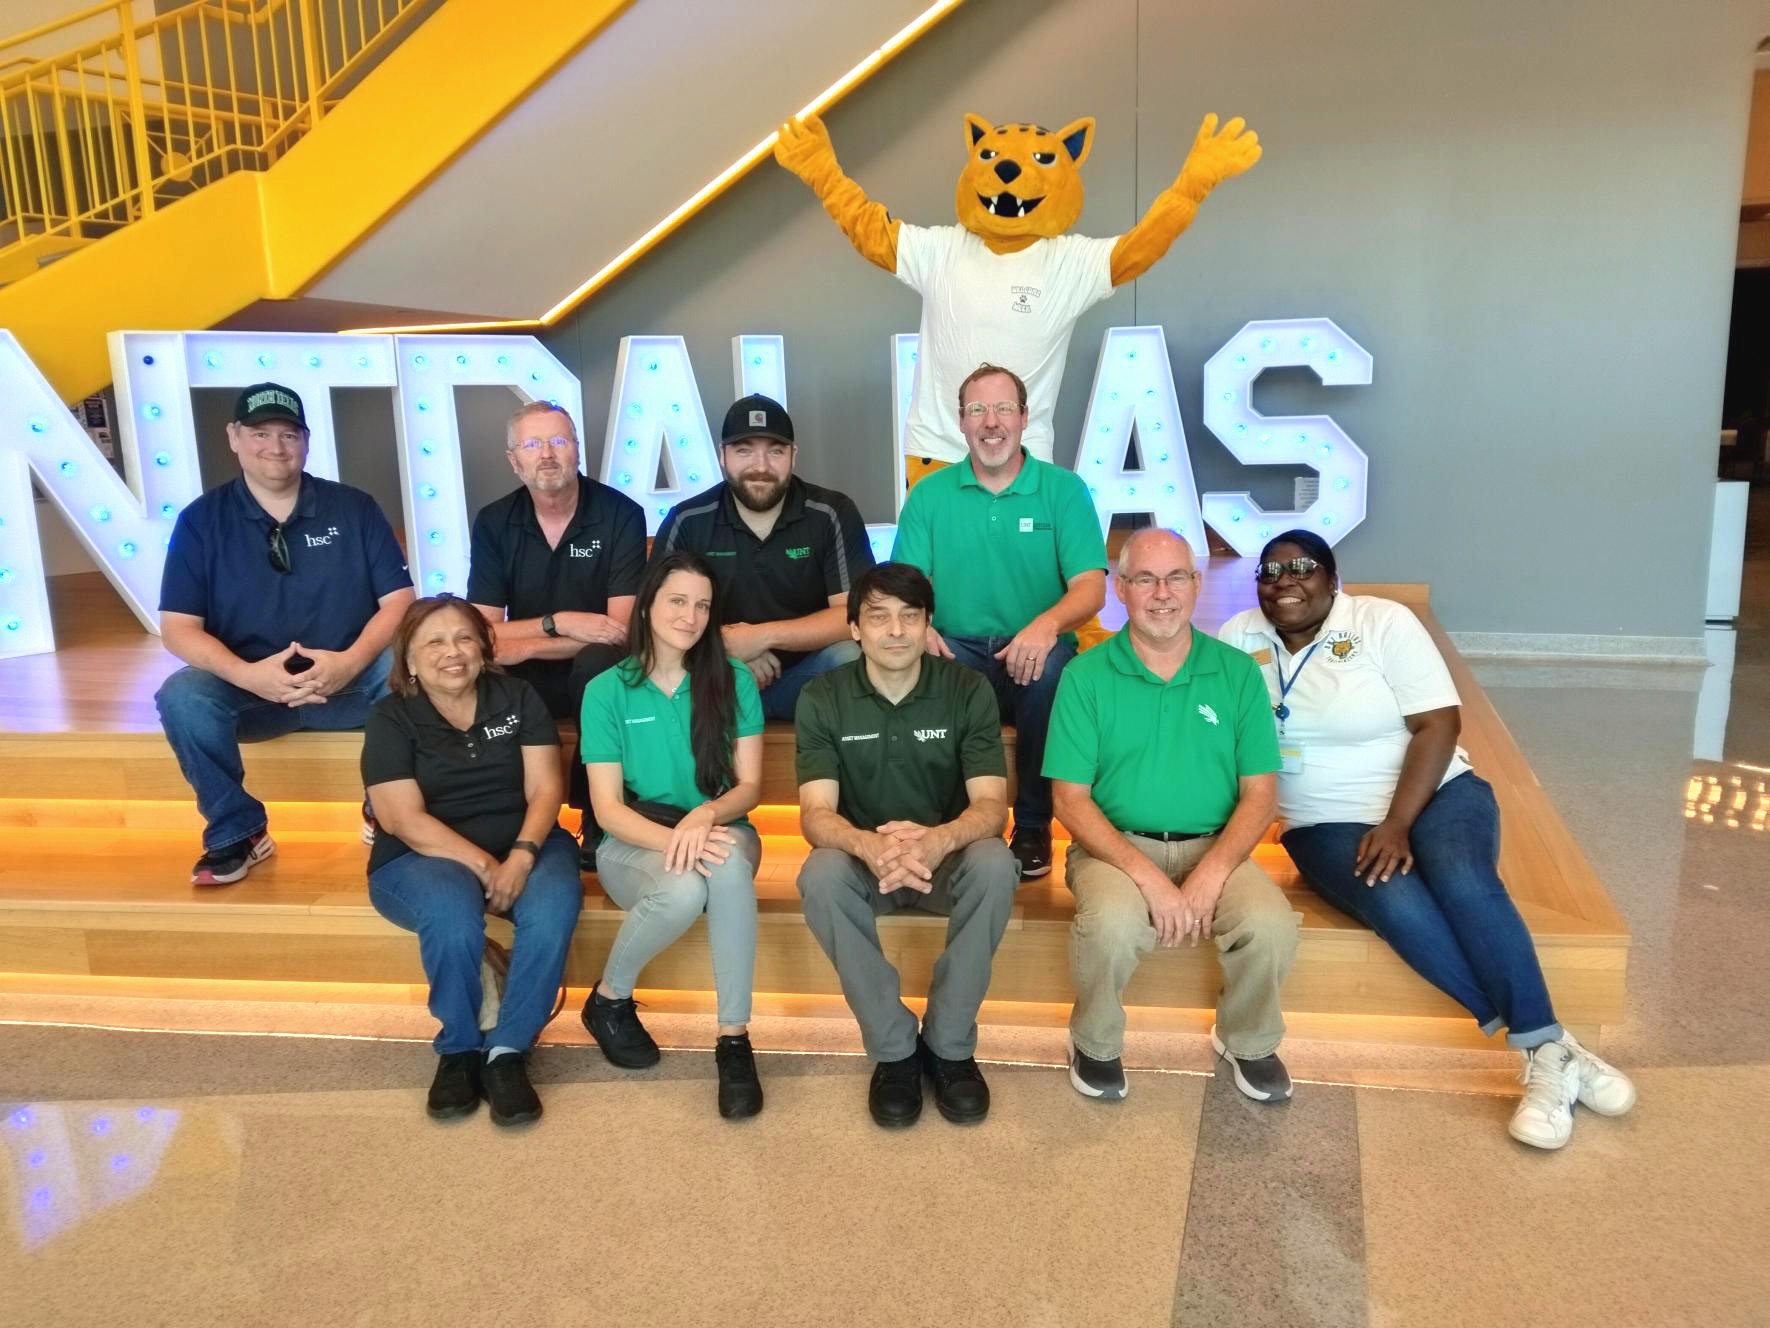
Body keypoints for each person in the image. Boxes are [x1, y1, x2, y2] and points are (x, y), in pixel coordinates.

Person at [1218, 530, 1637, 1149]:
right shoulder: (1237, 637)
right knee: (1396, 901)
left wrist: (1396, 824)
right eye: (1270, 571)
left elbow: (1439, 722)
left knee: (1461, 880)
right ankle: (1552, 1047)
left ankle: (1543, 1050)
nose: (1285, 580)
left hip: (1438, 794)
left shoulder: (1381, 622)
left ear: (1334, 579)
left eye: (1303, 568)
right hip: (1320, 823)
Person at [1045, 528, 1300, 1104]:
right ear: (1120, 590)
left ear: (1196, 585)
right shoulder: (1085, 677)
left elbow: (1260, 793)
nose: (1162, 593)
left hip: (1216, 846)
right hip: (1113, 848)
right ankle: (1094, 1042)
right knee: (1111, 925)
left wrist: (1209, 874)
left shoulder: (1236, 673)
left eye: (1176, 577)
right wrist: (1150, 879)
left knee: (1271, 925)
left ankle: (1247, 1041)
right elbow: (1070, 801)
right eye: (1145, 579)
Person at [156, 383, 414, 885]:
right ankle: (239, 830)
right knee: (182, 696)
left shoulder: (354, 508)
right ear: (233, 437)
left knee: (415, 668)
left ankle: (385, 809)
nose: (275, 447)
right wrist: (248, 676)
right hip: (253, 695)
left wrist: (350, 662)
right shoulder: (201, 521)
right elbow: (178, 629)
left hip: (349, 684)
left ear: (306, 441)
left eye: (288, 434)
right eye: (260, 433)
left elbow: (399, 601)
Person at [795, 562, 1019, 1128]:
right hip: (868, 865)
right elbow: (816, 815)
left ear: (927, 626)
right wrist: (870, 847)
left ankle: (949, 1046)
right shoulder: (822, 696)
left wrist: (940, 840)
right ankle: (894, 1050)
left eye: (909, 616)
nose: (895, 630)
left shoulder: (967, 689)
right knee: (819, 873)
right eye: (878, 617)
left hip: (944, 863)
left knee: (996, 862)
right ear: (854, 630)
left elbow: (992, 807)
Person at [362, 595, 583, 1126]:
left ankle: (508, 1050)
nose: (451, 652)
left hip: (525, 841)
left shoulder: (517, 696)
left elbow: (547, 787)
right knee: (453, 915)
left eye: (463, 638)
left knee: (553, 905)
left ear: (485, 649)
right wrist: (488, 867)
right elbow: (402, 819)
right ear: (410, 660)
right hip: (422, 856)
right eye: (432, 642)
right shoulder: (391, 716)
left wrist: (524, 856)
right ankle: (459, 1049)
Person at [892, 363, 1107, 880]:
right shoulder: (928, 495)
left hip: (1031, 647)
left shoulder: (1064, 490)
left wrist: (1044, 626)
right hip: (956, 647)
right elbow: (904, 586)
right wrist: (922, 630)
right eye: (977, 410)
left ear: (1025, 417)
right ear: (961, 423)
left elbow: (1091, 588)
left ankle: (1033, 825)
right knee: (909, 666)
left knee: (1052, 671)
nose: (992, 422)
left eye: (1004, 408)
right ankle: (942, 826)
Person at [578, 551, 767, 1119]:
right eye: (677, 601)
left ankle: (733, 1040)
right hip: (634, 839)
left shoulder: (732, 679)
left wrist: (703, 817)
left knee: (728, 864)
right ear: (649, 605)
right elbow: (608, 809)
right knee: (683, 887)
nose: (690, 615)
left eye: (703, 605)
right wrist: (677, 842)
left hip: (721, 826)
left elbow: (750, 786)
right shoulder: (606, 690)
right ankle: (610, 998)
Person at [467, 400, 646, 864]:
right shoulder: (493, 522)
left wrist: (521, 645)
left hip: (601, 673)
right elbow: (480, 633)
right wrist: (559, 622)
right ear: (514, 460)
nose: (547, 454)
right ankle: (509, 820)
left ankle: (597, 816)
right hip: (528, 676)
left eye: (558, 441)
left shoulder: (620, 514)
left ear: (577, 451)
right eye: (532, 443)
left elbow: (618, 633)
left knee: (598, 664)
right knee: (476, 671)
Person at [653, 393, 875, 719]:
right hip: (712, 680)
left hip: (802, 679)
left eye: (775, 451)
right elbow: (657, 618)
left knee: (847, 659)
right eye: (744, 450)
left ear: (793, 456)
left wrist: (759, 638)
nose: (761, 466)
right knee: (663, 667)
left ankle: (836, 768)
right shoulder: (688, 520)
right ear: (722, 456)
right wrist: (727, 651)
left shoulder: (830, 512)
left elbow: (852, 616)